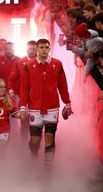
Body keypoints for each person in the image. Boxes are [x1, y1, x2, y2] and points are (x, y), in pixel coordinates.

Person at [19, 38, 73, 170]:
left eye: (46, 47)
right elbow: (24, 87)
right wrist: (22, 107)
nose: (44, 50)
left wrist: (67, 103)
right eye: (41, 47)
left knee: (49, 138)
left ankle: (47, 170)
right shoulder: (28, 65)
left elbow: (63, 85)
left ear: (49, 49)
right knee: (34, 141)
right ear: (37, 49)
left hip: (52, 108)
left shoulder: (57, 64)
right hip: (35, 108)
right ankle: (34, 157)